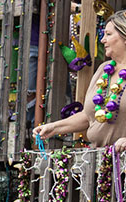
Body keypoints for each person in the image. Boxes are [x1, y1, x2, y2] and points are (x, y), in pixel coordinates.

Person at [37, 10, 126, 151]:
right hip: (99, 160)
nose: (103, 40)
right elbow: (88, 115)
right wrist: (54, 127)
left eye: (108, 34)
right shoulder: (104, 70)